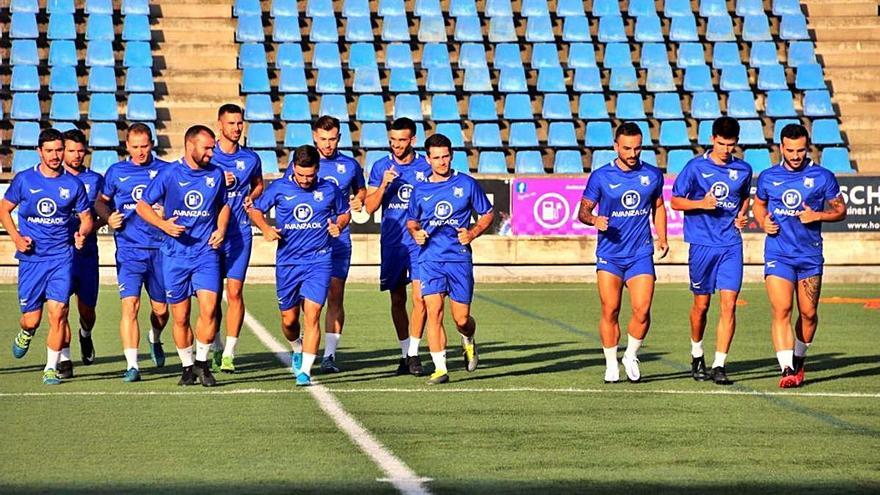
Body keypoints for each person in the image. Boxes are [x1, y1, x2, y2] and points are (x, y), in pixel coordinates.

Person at [136, 125, 231, 387]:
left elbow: (223, 206)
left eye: (213, 147)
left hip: (206, 253)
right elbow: (143, 206)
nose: (212, 153)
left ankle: (202, 363)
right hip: (175, 255)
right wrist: (163, 225)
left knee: (210, 309)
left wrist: (221, 229)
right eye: (208, 147)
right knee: (180, 316)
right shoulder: (169, 174)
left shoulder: (216, 174)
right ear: (190, 146)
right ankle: (187, 366)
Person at [753, 123, 846, 388]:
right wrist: (763, 222)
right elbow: (759, 205)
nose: (795, 156)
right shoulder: (768, 177)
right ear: (781, 148)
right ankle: (786, 369)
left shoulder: (823, 177)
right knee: (781, 309)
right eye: (790, 150)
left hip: (809, 256)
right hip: (778, 253)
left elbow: (841, 210)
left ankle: (799, 361)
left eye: (801, 151)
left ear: (808, 148)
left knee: (809, 314)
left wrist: (817, 215)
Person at [249, 145, 351, 386]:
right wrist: (265, 229)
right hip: (288, 262)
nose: (306, 180)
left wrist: (339, 225)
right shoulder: (280, 188)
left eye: (310, 175)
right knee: (289, 320)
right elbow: (255, 210)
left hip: (319, 259)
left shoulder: (329, 188)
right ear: (293, 167)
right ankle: (296, 346)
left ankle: (305, 371)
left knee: (313, 314)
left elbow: (344, 213)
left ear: (317, 170)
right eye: (301, 175)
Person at [577, 122, 668, 383]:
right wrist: (594, 220)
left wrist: (662, 236)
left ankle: (630, 354)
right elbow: (582, 212)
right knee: (611, 309)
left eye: (637, 148)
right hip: (610, 255)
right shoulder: (601, 176)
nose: (632, 153)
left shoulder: (652, 174)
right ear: (616, 146)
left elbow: (659, 206)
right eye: (627, 148)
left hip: (640, 253)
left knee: (642, 310)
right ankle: (610, 363)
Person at [0, 129, 93, 385]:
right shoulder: (24, 180)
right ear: (39, 151)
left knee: (59, 312)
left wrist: (82, 234)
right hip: (32, 259)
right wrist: (17, 237)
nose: (55, 156)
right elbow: (4, 209)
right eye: (49, 151)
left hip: (62, 257)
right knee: (32, 319)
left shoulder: (73, 184)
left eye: (59, 150)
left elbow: (86, 219)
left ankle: (51, 368)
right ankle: (26, 332)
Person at [671, 117, 753, 385]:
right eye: (721, 143)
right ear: (712, 139)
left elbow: (743, 198)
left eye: (730, 144)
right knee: (701, 305)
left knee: (729, 305)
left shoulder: (743, 169)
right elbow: (674, 201)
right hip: (702, 245)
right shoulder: (695, 167)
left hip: (731, 244)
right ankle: (697, 354)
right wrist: (700, 204)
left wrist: (741, 216)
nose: (726, 149)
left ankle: (719, 365)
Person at [406, 134, 494, 384]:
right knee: (434, 312)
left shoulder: (466, 184)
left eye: (445, 156)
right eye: (436, 158)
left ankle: (468, 339)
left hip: (458, 259)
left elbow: (487, 214)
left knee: (461, 319)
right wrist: (416, 233)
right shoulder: (420, 189)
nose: (442, 162)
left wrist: (473, 232)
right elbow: (412, 221)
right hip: (430, 259)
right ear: (428, 159)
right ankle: (440, 368)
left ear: (451, 156)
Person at [95, 124, 171, 382]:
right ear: (127, 146)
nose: (140, 152)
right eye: (135, 146)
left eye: (145, 146)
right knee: (130, 306)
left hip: (160, 249)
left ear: (152, 144)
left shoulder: (165, 170)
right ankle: (132, 365)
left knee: (161, 310)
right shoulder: (116, 171)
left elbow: (178, 201)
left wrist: (167, 213)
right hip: (129, 250)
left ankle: (155, 337)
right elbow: (100, 202)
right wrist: (108, 218)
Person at [364, 117, 433, 376]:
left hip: (418, 242)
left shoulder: (425, 166)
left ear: (413, 140)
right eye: (392, 140)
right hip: (392, 242)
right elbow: (370, 208)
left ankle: (414, 353)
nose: (396, 145)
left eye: (402, 140)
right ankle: (405, 354)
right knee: (397, 299)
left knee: (420, 298)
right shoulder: (381, 165)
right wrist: (383, 185)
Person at [209, 104, 264, 373]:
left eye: (240, 123)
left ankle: (230, 352)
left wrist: (252, 199)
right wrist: (218, 178)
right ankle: (216, 345)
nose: (237, 128)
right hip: (211, 233)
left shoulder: (251, 158)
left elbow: (259, 184)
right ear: (220, 125)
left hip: (240, 232)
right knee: (212, 294)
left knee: (235, 291)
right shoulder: (209, 155)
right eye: (231, 123)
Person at [309, 116, 366, 373]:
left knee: (335, 295)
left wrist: (358, 199)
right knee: (309, 300)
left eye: (332, 139)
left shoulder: (350, 165)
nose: (328, 144)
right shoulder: (304, 163)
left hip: (339, 238)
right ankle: (304, 346)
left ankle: (329, 355)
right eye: (323, 139)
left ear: (339, 138)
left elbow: (361, 190)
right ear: (314, 137)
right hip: (308, 238)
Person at [56, 129, 105, 379]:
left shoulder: (96, 179)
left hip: (86, 253)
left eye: (80, 150)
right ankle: (64, 359)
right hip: (59, 253)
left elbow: (101, 213)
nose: (76, 155)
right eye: (71, 150)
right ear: (62, 151)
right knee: (60, 308)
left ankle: (85, 335)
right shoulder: (53, 179)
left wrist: (88, 230)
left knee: (87, 310)